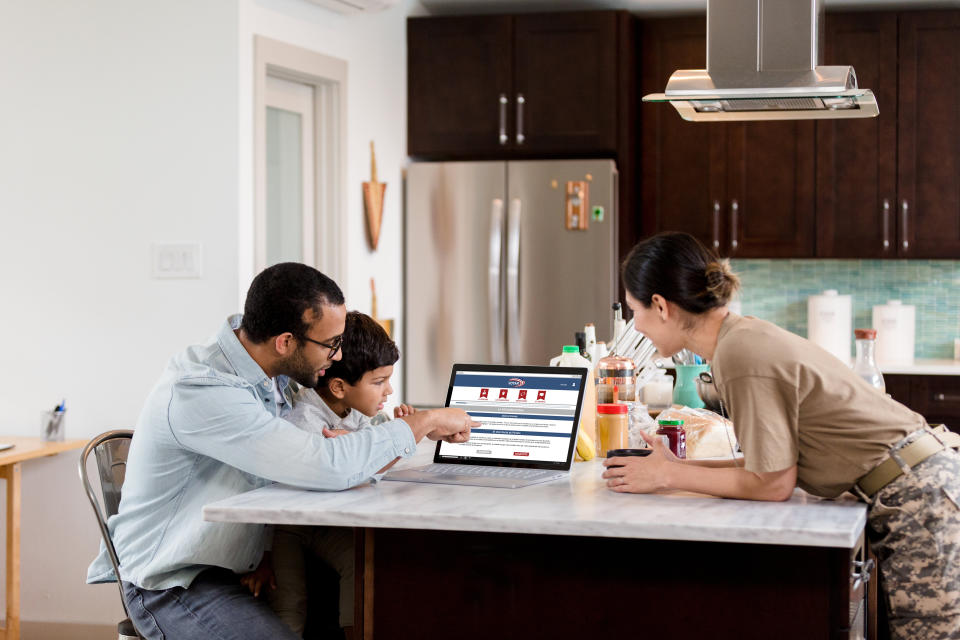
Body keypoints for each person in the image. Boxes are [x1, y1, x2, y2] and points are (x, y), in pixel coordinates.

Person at [86, 263, 477, 640]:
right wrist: (421, 423)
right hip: (175, 583)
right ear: (285, 341)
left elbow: (324, 456)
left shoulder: (272, 373)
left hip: (241, 565)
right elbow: (326, 466)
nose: (338, 356)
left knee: (388, 596)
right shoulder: (204, 391)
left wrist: (367, 446)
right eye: (331, 344)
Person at [602, 231, 960, 640]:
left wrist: (667, 477)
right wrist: (676, 466)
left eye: (635, 312)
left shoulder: (739, 353)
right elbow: (768, 462)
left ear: (661, 306)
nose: (637, 326)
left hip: (922, 497)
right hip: (921, 486)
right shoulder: (738, 338)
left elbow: (772, 484)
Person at [253, 311, 414, 636]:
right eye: (379, 382)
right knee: (290, 605)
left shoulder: (353, 409)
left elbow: (371, 450)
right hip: (289, 526)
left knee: (363, 569)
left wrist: (400, 429)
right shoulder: (305, 420)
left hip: (327, 522)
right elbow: (334, 471)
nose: (389, 391)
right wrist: (263, 556)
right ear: (339, 386)